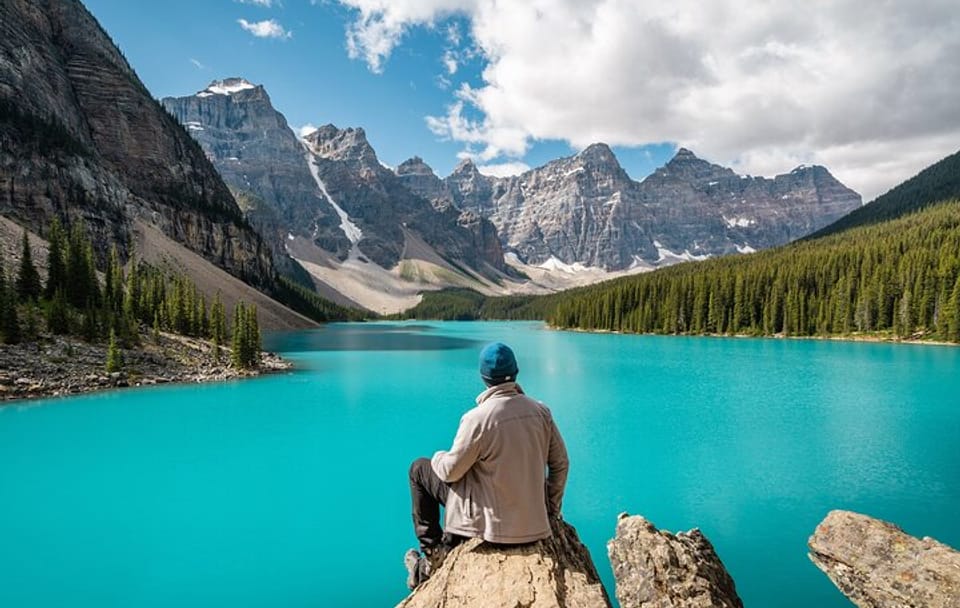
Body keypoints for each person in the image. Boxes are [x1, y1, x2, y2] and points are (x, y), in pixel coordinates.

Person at [404, 342, 569, 589]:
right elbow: (561, 465)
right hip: (534, 524)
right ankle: (444, 546)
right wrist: (550, 511)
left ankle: (433, 553)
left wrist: (439, 456)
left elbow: (450, 472)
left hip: (492, 531)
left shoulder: (477, 419)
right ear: (516, 372)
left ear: (484, 377)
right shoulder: (541, 412)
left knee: (419, 469)